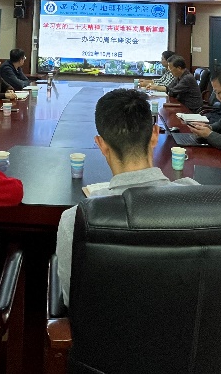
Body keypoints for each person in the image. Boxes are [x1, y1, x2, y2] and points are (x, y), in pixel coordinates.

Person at [55, 89, 198, 305]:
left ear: (101, 144)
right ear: (154, 135)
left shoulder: (76, 219)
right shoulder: (195, 197)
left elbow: (71, 300)